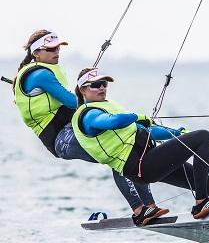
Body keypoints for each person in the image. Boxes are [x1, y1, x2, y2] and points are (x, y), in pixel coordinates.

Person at [13, 29, 167, 226]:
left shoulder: (35, 73)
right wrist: (91, 100)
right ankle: (140, 210)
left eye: (58, 47)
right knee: (118, 153)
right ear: (36, 53)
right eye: (50, 49)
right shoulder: (41, 74)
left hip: (67, 133)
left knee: (124, 149)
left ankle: (148, 208)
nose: (57, 52)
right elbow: (71, 102)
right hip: (62, 137)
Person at [72, 67, 209, 220]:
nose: (102, 87)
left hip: (147, 162)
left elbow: (150, 131)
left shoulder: (109, 106)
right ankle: (201, 203)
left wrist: (176, 134)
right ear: (83, 90)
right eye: (96, 84)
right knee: (203, 137)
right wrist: (136, 116)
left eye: (105, 83)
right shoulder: (88, 115)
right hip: (141, 165)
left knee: (204, 181)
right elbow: (113, 122)